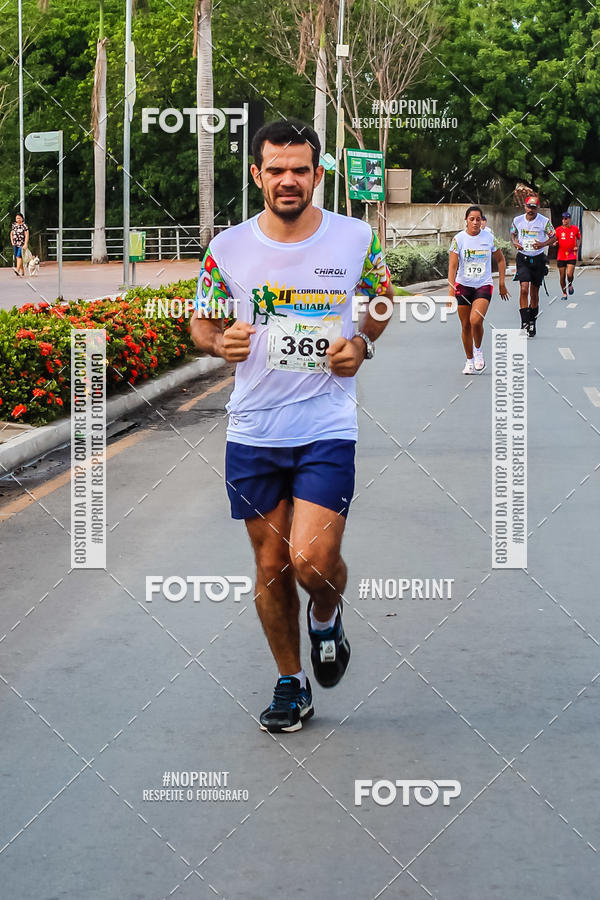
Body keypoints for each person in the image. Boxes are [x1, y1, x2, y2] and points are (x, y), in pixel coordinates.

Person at [190, 119, 394, 733]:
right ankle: (290, 682)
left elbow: (380, 301)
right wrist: (217, 341)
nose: (287, 180)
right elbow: (201, 320)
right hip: (253, 427)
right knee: (271, 563)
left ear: (316, 175)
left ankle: (326, 617)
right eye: (275, 169)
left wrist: (361, 339)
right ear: (257, 175)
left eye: (299, 169)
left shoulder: (356, 238)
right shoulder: (227, 247)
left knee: (312, 559)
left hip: (327, 422)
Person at [448, 205, 509, 374]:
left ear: (482, 221)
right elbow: (453, 266)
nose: (475, 222)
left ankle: (478, 350)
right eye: (471, 219)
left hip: (483, 284)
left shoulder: (489, 238)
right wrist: (451, 291)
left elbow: (501, 260)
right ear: (466, 221)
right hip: (463, 284)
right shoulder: (458, 239)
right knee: (465, 325)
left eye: (478, 219)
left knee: (476, 320)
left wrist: (502, 283)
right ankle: (469, 360)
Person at [510, 196, 555, 337]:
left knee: (534, 293)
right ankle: (524, 321)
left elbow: (553, 237)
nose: (531, 210)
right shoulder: (517, 220)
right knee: (524, 289)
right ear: (525, 206)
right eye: (529, 207)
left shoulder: (544, 222)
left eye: (534, 207)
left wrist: (542, 244)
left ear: (538, 208)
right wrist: (515, 242)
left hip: (538, 259)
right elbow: (513, 234)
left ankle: (532, 321)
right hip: (523, 258)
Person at [554, 211, 580, 300]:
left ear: (569, 219)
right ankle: (564, 293)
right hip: (561, 256)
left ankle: (570, 284)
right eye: (563, 218)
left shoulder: (575, 229)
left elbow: (579, 238)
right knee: (562, 276)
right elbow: (554, 239)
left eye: (566, 218)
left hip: (572, 255)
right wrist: (554, 242)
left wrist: (577, 246)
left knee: (569, 274)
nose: (564, 220)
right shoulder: (558, 230)